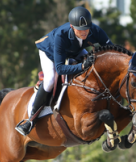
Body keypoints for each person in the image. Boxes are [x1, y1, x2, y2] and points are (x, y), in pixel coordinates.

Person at [15, 7, 114, 136]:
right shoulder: (61, 35)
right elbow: (60, 69)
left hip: (74, 50)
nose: (84, 32)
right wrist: (82, 67)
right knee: (50, 80)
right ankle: (31, 119)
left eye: (86, 29)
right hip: (49, 52)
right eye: (80, 29)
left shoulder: (95, 30)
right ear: (72, 27)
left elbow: (112, 49)